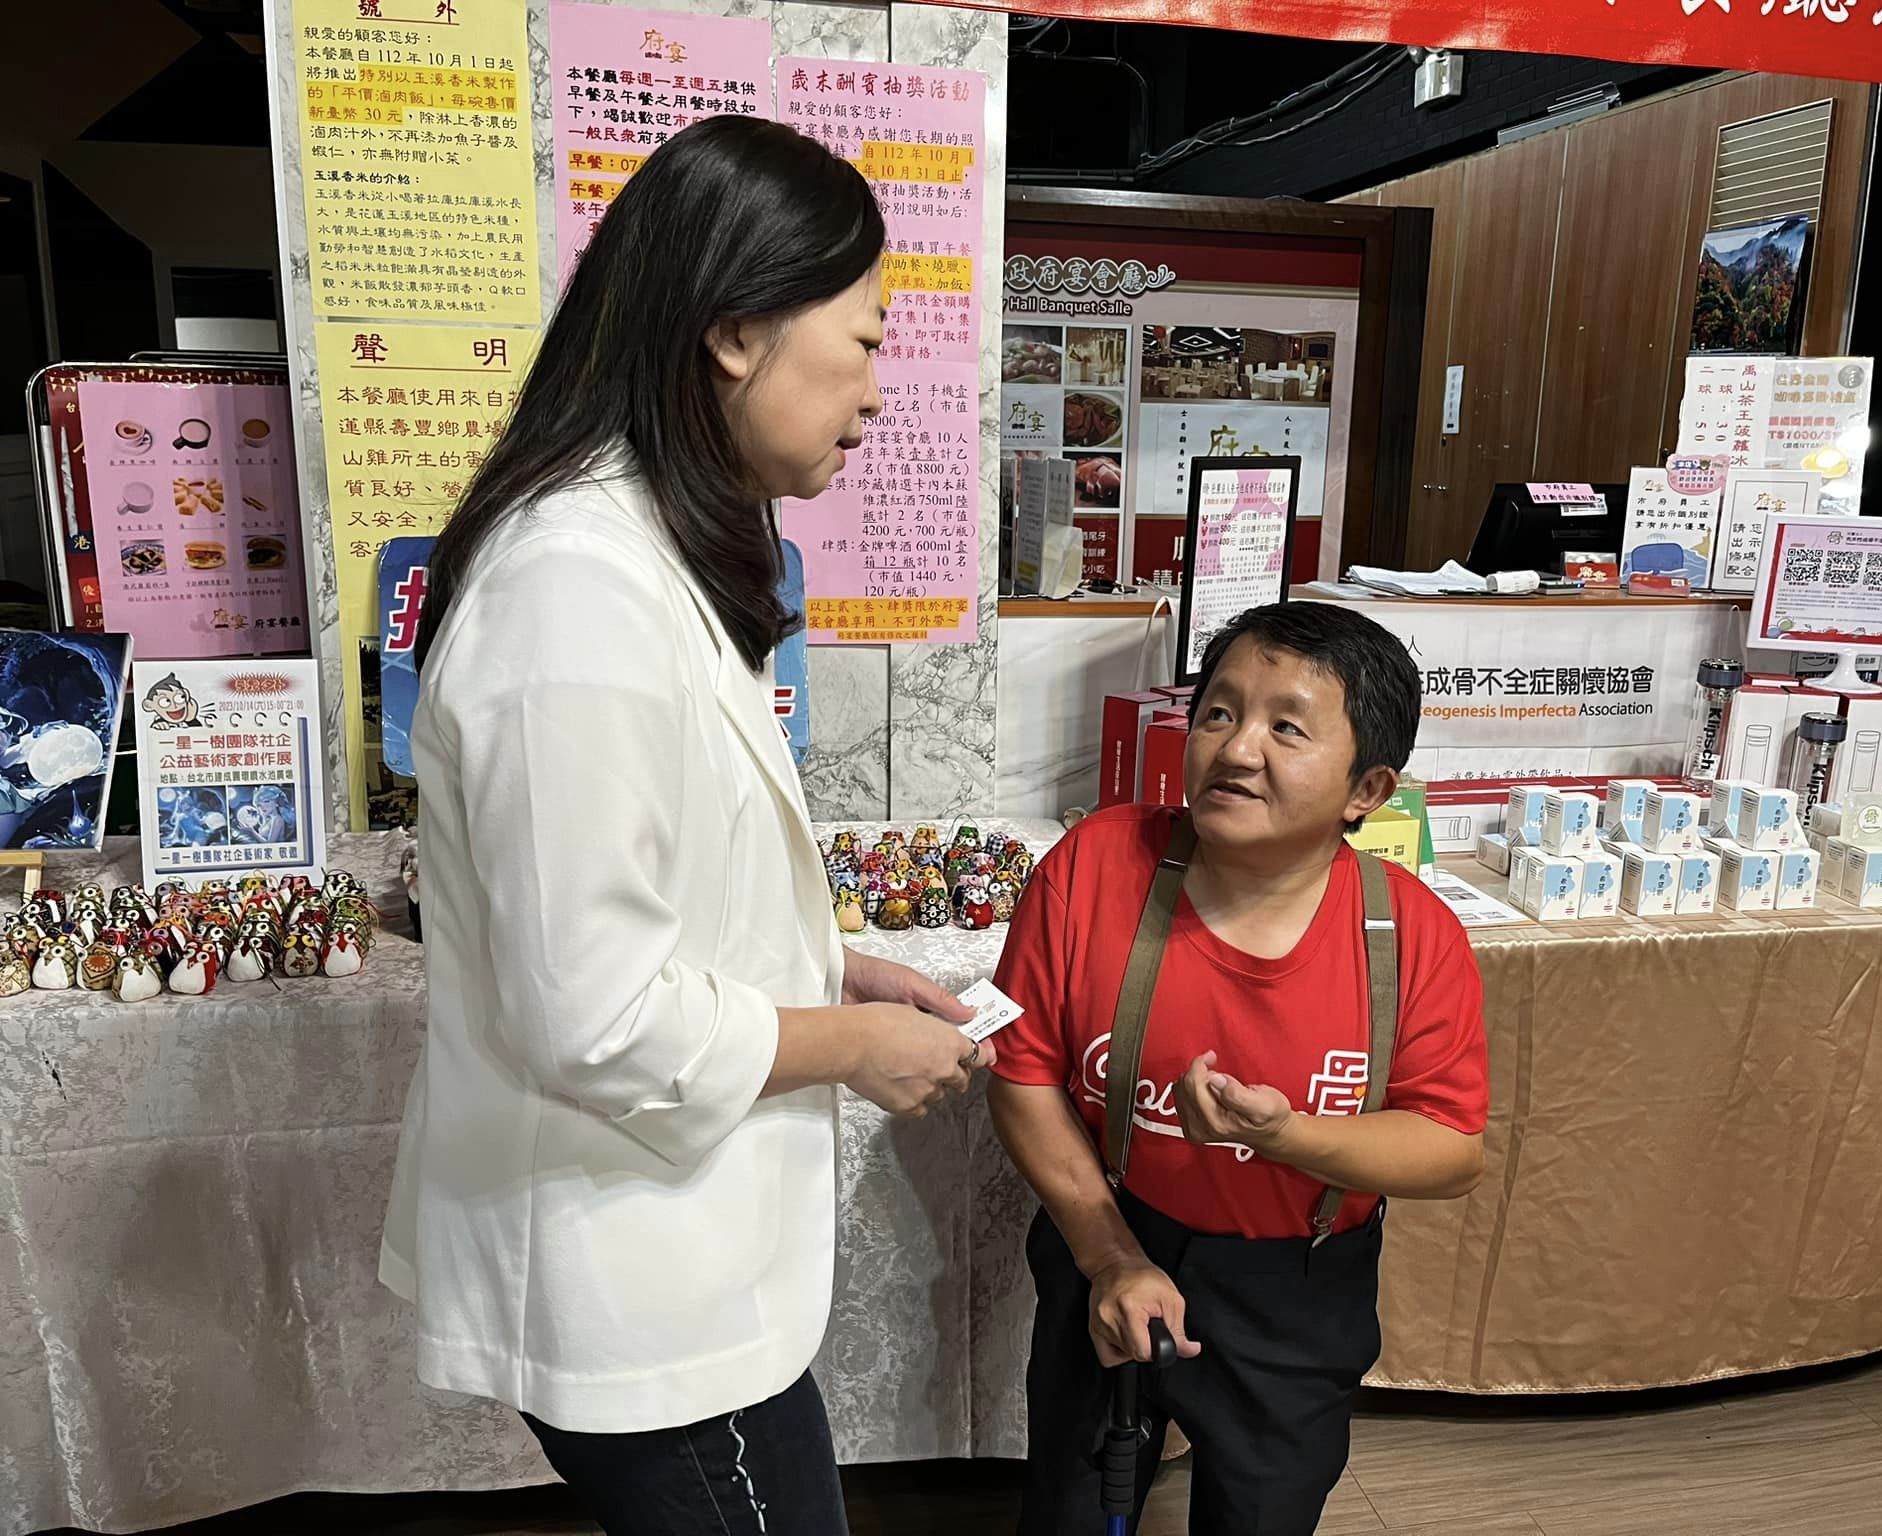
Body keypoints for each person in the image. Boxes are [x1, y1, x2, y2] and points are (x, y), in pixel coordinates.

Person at [378, 116, 994, 1536]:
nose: (879, 391)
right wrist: (852, 1048)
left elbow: (653, 883)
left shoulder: (641, 553)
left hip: (680, 1251)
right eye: (865, 338)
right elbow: (591, 1012)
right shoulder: (573, 594)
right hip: (630, 1273)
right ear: (733, 335)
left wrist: (830, 966)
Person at [989, 601, 1489, 1536]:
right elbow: (1022, 1074)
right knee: (1073, 1501)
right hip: (1112, 1234)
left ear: (1366, 788)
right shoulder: (1096, 864)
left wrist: (1289, 1136)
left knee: (1262, 1511)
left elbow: (1451, 1150)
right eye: (1219, 713)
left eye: (1286, 728)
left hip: (1295, 1288)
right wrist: (1109, 1259)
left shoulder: (1412, 937)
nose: (1237, 748)